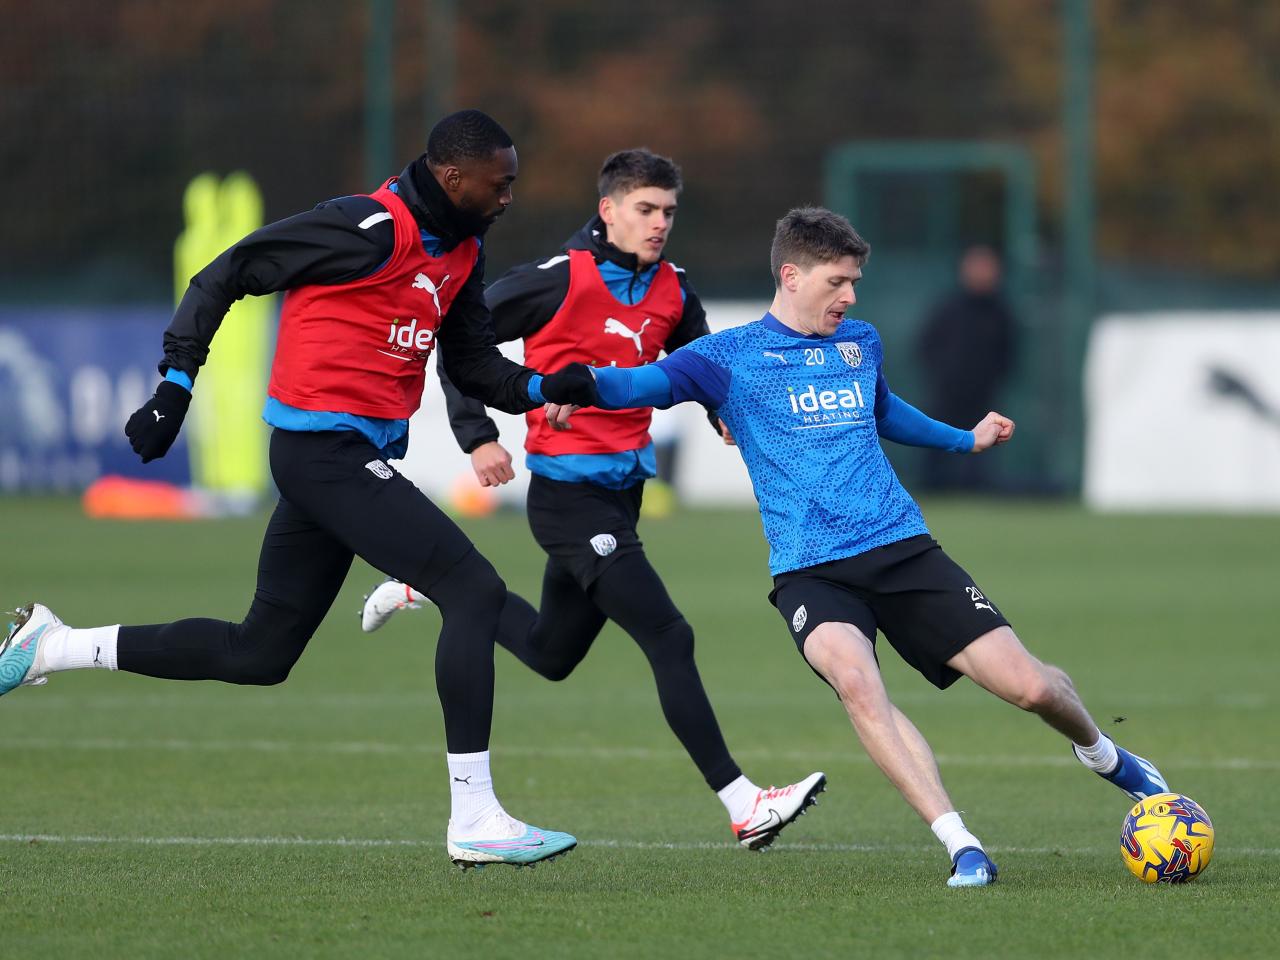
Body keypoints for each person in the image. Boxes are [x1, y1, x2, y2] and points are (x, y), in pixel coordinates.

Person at [0, 110, 601, 870]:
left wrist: (547, 386)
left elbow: (476, 364)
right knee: (474, 589)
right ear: (454, 178)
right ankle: (476, 817)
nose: (511, 195)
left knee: (261, 652)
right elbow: (224, 272)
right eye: (500, 182)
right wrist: (175, 386)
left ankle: (52, 645)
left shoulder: (464, 249)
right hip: (323, 456)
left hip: (345, 461)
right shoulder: (365, 228)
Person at [549, 207, 1169, 887]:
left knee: (1031, 688)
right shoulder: (726, 357)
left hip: (903, 551)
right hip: (810, 572)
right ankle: (961, 844)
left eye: (855, 282)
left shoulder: (859, 343)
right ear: (792, 276)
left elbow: (886, 410)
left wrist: (965, 438)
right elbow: (644, 382)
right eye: (839, 281)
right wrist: (585, 382)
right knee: (856, 682)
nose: (850, 296)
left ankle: (1102, 752)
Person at [362, 149, 825, 850]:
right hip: (567, 500)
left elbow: (704, 361)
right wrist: (479, 434)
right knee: (670, 635)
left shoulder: (673, 287)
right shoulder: (558, 281)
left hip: (623, 496)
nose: (659, 223)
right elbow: (460, 342)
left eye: (668, 210)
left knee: (552, 653)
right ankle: (742, 802)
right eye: (645, 209)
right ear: (607, 210)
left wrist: (720, 412)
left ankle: (427, 590)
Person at [915, 245, 1018, 492]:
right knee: (938, 437)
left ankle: (976, 486)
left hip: (982, 394)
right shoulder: (949, 307)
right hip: (947, 391)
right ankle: (934, 486)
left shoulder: (1000, 312)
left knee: (982, 445)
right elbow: (926, 344)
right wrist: (943, 374)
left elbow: (1008, 353)